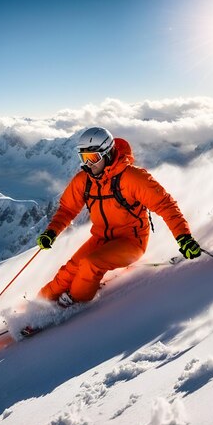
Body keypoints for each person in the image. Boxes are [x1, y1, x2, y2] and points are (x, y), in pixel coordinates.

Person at [36, 127, 201, 308]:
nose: (88, 165)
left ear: (107, 154)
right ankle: (37, 307)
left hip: (131, 242)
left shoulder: (132, 178)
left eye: (93, 158)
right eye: (84, 158)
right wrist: (51, 232)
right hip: (101, 238)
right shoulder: (84, 180)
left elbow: (165, 205)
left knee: (91, 264)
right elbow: (67, 209)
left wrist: (184, 237)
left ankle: (72, 303)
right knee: (67, 273)